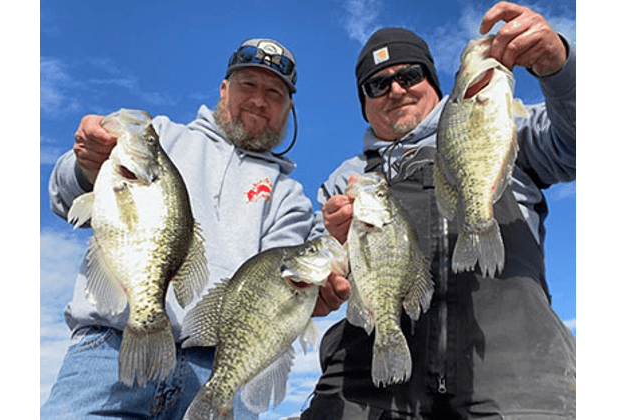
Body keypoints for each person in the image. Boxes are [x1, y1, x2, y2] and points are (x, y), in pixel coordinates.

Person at [42, 38, 348, 420]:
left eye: (275, 93)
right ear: (224, 90)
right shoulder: (161, 137)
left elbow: (276, 277)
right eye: (247, 85)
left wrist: (305, 297)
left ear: (289, 109)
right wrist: (88, 166)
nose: (259, 100)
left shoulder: (290, 197)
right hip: (109, 350)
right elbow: (63, 196)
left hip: (220, 366)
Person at [302, 2, 576, 419]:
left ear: (434, 83)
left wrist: (561, 70)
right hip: (372, 381)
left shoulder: (502, 121)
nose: (395, 90)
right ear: (365, 104)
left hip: (518, 371)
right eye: (378, 86)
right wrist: (330, 269)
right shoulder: (345, 180)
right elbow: (313, 278)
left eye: (408, 76)